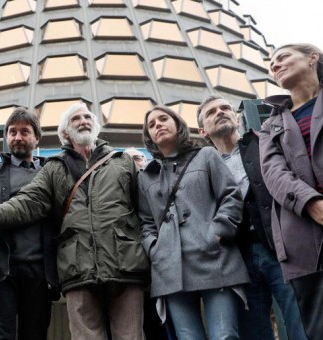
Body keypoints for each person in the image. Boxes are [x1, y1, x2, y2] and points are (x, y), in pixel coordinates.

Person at [0, 103, 149, 340]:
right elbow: (27, 203)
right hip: (77, 268)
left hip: (124, 265)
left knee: (130, 335)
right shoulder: (54, 168)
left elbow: (145, 210)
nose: (83, 120)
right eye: (75, 118)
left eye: (87, 116)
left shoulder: (122, 161)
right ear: (65, 133)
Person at [197, 95, 307, 339]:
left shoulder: (264, 143)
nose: (220, 112)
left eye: (225, 108)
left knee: (301, 324)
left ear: (236, 118)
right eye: (212, 111)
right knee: (254, 332)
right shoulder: (201, 167)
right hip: (237, 261)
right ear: (202, 130)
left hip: (280, 251)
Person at [138, 105, 249, 339]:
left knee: (225, 335)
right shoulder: (145, 176)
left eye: (163, 119)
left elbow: (230, 195)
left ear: (178, 124)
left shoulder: (206, 155)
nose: (158, 124)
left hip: (215, 258)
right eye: (151, 124)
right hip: (169, 268)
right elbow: (145, 222)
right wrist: (154, 249)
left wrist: (217, 232)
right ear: (149, 137)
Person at [0, 107, 59, 340]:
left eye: (25, 132)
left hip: (40, 271)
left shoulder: (51, 173)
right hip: (0, 270)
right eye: (12, 132)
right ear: (6, 137)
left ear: (37, 138)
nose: (18, 137)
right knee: (0, 336)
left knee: (35, 334)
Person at [260, 43, 323, 339]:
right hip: (303, 239)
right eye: (272, 64)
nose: (275, 65)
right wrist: (310, 202)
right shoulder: (271, 124)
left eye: (283, 57)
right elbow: (273, 172)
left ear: (313, 58)